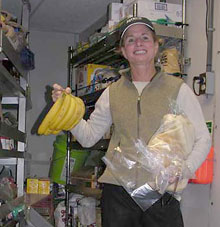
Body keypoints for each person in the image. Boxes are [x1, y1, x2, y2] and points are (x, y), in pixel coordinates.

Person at [52, 17, 211, 227]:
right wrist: (67, 111)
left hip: (159, 191)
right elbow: (89, 137)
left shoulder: (178, 89)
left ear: (155, 47)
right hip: (118, 192)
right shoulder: (112, 93)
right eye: (131, 40)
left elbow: (203, 138)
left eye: (145, 38)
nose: (138, 43)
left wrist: (185, 169)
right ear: (123, 51)